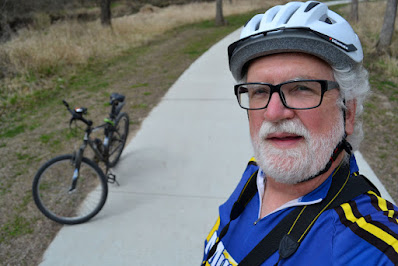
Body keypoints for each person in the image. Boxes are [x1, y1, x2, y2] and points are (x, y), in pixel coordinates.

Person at [202, 1, 398, 265]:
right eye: (259, 91)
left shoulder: (374, 249)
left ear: (347, 112)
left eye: (301, 89)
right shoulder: (254, 176)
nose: (273, 113)